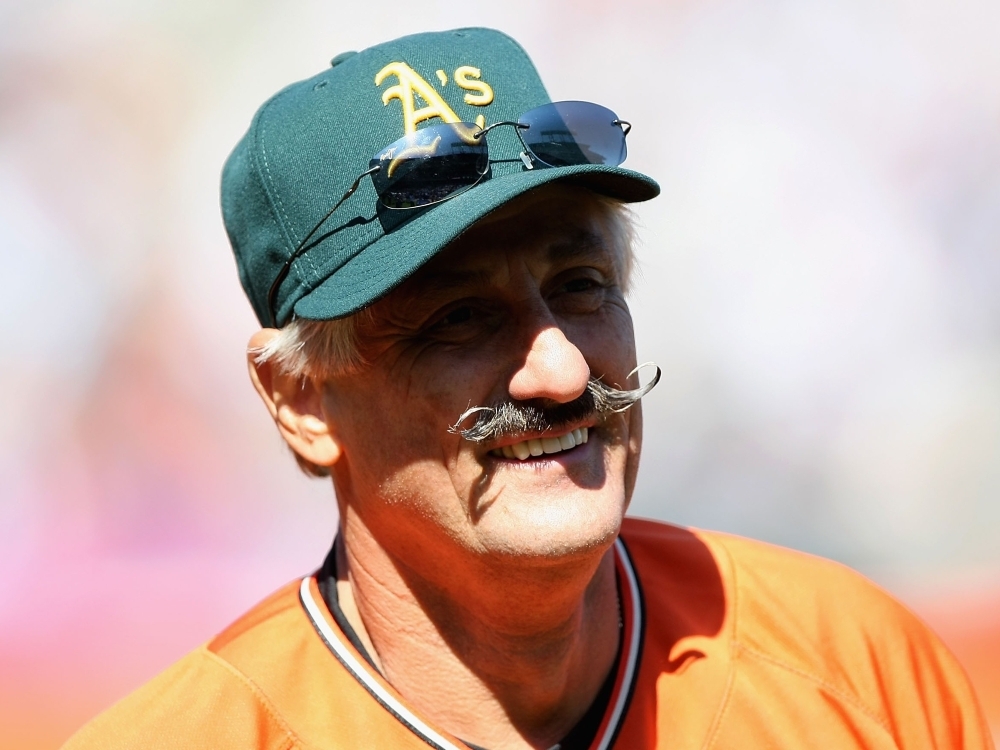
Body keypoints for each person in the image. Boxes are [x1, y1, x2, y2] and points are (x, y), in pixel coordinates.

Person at [64, 27, 992, 750]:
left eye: (581, 286)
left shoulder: (857, 671)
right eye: (458, 318)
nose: (562, 371)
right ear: (300, 401)